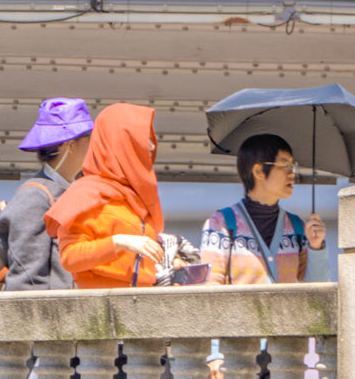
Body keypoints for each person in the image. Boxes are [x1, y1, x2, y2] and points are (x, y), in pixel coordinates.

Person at [43, 102, 168, 289]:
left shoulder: (136, 196)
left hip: (140, 305)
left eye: (150, 139)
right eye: (141, 139)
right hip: (102, 310)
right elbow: (70, 258)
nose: (151, 146)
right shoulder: (86, 194)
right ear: (119, 144)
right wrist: (119, 242)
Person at [0, 97, 94, 290]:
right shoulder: (34, 197)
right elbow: (26, 279)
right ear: (70, 145)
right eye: (89, 138)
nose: (94, 145)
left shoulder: (72, 188)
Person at [200, 134, 329, 286]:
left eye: (292, 166)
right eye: (285, 166)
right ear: (258, 171)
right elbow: (209, 290)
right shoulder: (220, 225)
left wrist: (316, 246)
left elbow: (316, 290)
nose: (292, 174)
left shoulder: (298, 227)